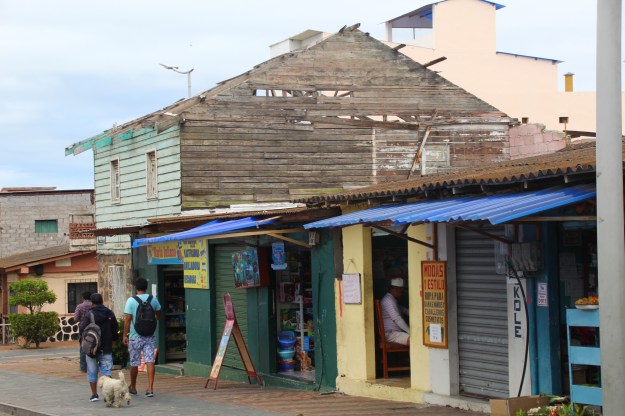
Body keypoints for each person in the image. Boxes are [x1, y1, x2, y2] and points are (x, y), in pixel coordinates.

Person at [123, 277, 161, 397]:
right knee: (150, 360)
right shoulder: (153, 299)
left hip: (135, 336)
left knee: (134, 362)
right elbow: (158, 314)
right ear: (146, 287)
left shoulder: (131, 300)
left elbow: (128, 319)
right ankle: (150, 388)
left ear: (136, 288)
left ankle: (133, 387)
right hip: (149, 336)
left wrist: (124, 335)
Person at [79, 293, 118, 402]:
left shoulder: (89, 314)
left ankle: (94, 394)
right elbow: (115, 328)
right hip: (106, 347)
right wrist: (113, 341)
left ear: (92, 303)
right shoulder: (109, 313)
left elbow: (82, 328)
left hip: (91, 348)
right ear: (102, 301)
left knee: (92, 371)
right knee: (107, 371)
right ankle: (108, 395)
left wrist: (84, 342)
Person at [381, 277, 410, 346]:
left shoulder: (392, 299)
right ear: (395, 289)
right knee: (414, 339)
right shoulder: (388, 300)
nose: (402, 293)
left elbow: (403, 310)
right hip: (391, 334)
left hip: (395, 333)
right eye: (401, 290)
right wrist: (410, 332)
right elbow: (398, 319)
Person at [74, 291, 92, 372]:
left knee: (83, 347)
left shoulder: (80, 306)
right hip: (94, 328)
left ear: (83, 297)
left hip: (83, 329)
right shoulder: (93, 305)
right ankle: (93, 366)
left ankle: (84, 367)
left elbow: (75, 319)